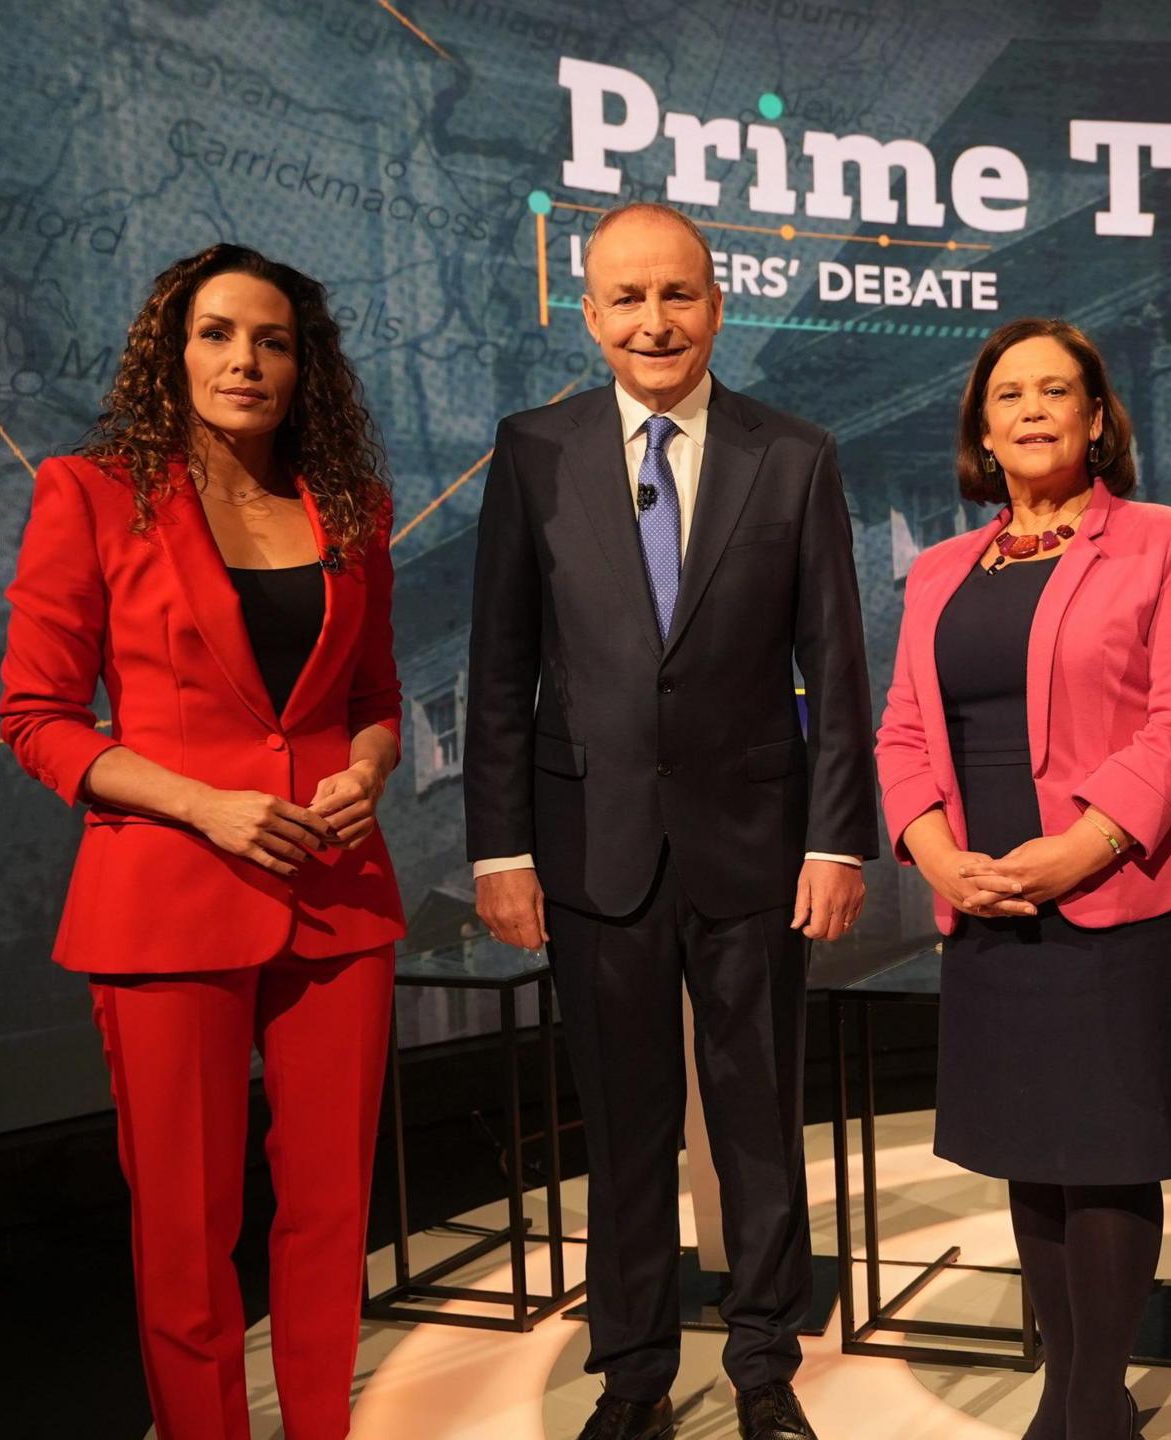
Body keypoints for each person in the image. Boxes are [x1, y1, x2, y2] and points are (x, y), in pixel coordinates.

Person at [463, 201, 880, 1440]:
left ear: (716, 303)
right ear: (588, 314)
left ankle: (765, 1369)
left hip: (756, 853)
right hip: (591, 857)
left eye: (679, 295)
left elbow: (837, 665)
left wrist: (836, 837)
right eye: (628, 298)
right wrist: (500, 845)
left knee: (756, 1122)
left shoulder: (792, 453)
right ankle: (633, 1374)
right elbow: (499, 669)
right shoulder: (531, 451)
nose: (656, 320)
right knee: (627, 1131)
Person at [0, 244, 403, 1440]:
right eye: (219, 334)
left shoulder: (350, 508)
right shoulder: (89, 493)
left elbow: (375, 695)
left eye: (273, 341)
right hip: (166, 896)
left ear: (303, 365)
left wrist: (370, 767)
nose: (247, 361)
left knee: (331, 1217)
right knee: (186, 1228)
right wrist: (199, 802)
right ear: (172, 354)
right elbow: (37, 719)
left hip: (336, 895)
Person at [874, 318, 1171, 1440]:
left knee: (1107, 1152)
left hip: (1119, 901)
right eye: (1008, 394)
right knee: (1032, 1151)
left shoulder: (1160, 541)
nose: (1030, 410)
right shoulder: (937, 570)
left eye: (1055, 392)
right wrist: (936, 856)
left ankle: (1086, 1406)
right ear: (982, 425)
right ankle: (1073, 1396)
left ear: (1094, 417)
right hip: (984, 907)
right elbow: (901, 734)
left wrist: (1085, 845)